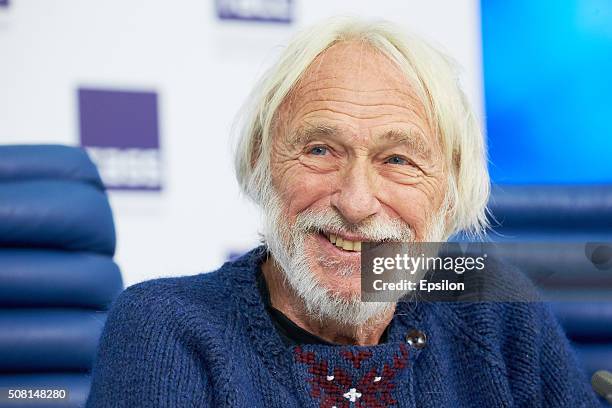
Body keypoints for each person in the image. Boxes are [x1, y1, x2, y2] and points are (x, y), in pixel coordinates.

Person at [86, 17, 599, 407]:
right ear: (263, 160)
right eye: (320, 150)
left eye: (397, 159)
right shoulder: (166, 328)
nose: (355, 202)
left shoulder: (493, 306)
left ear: (450, 186)